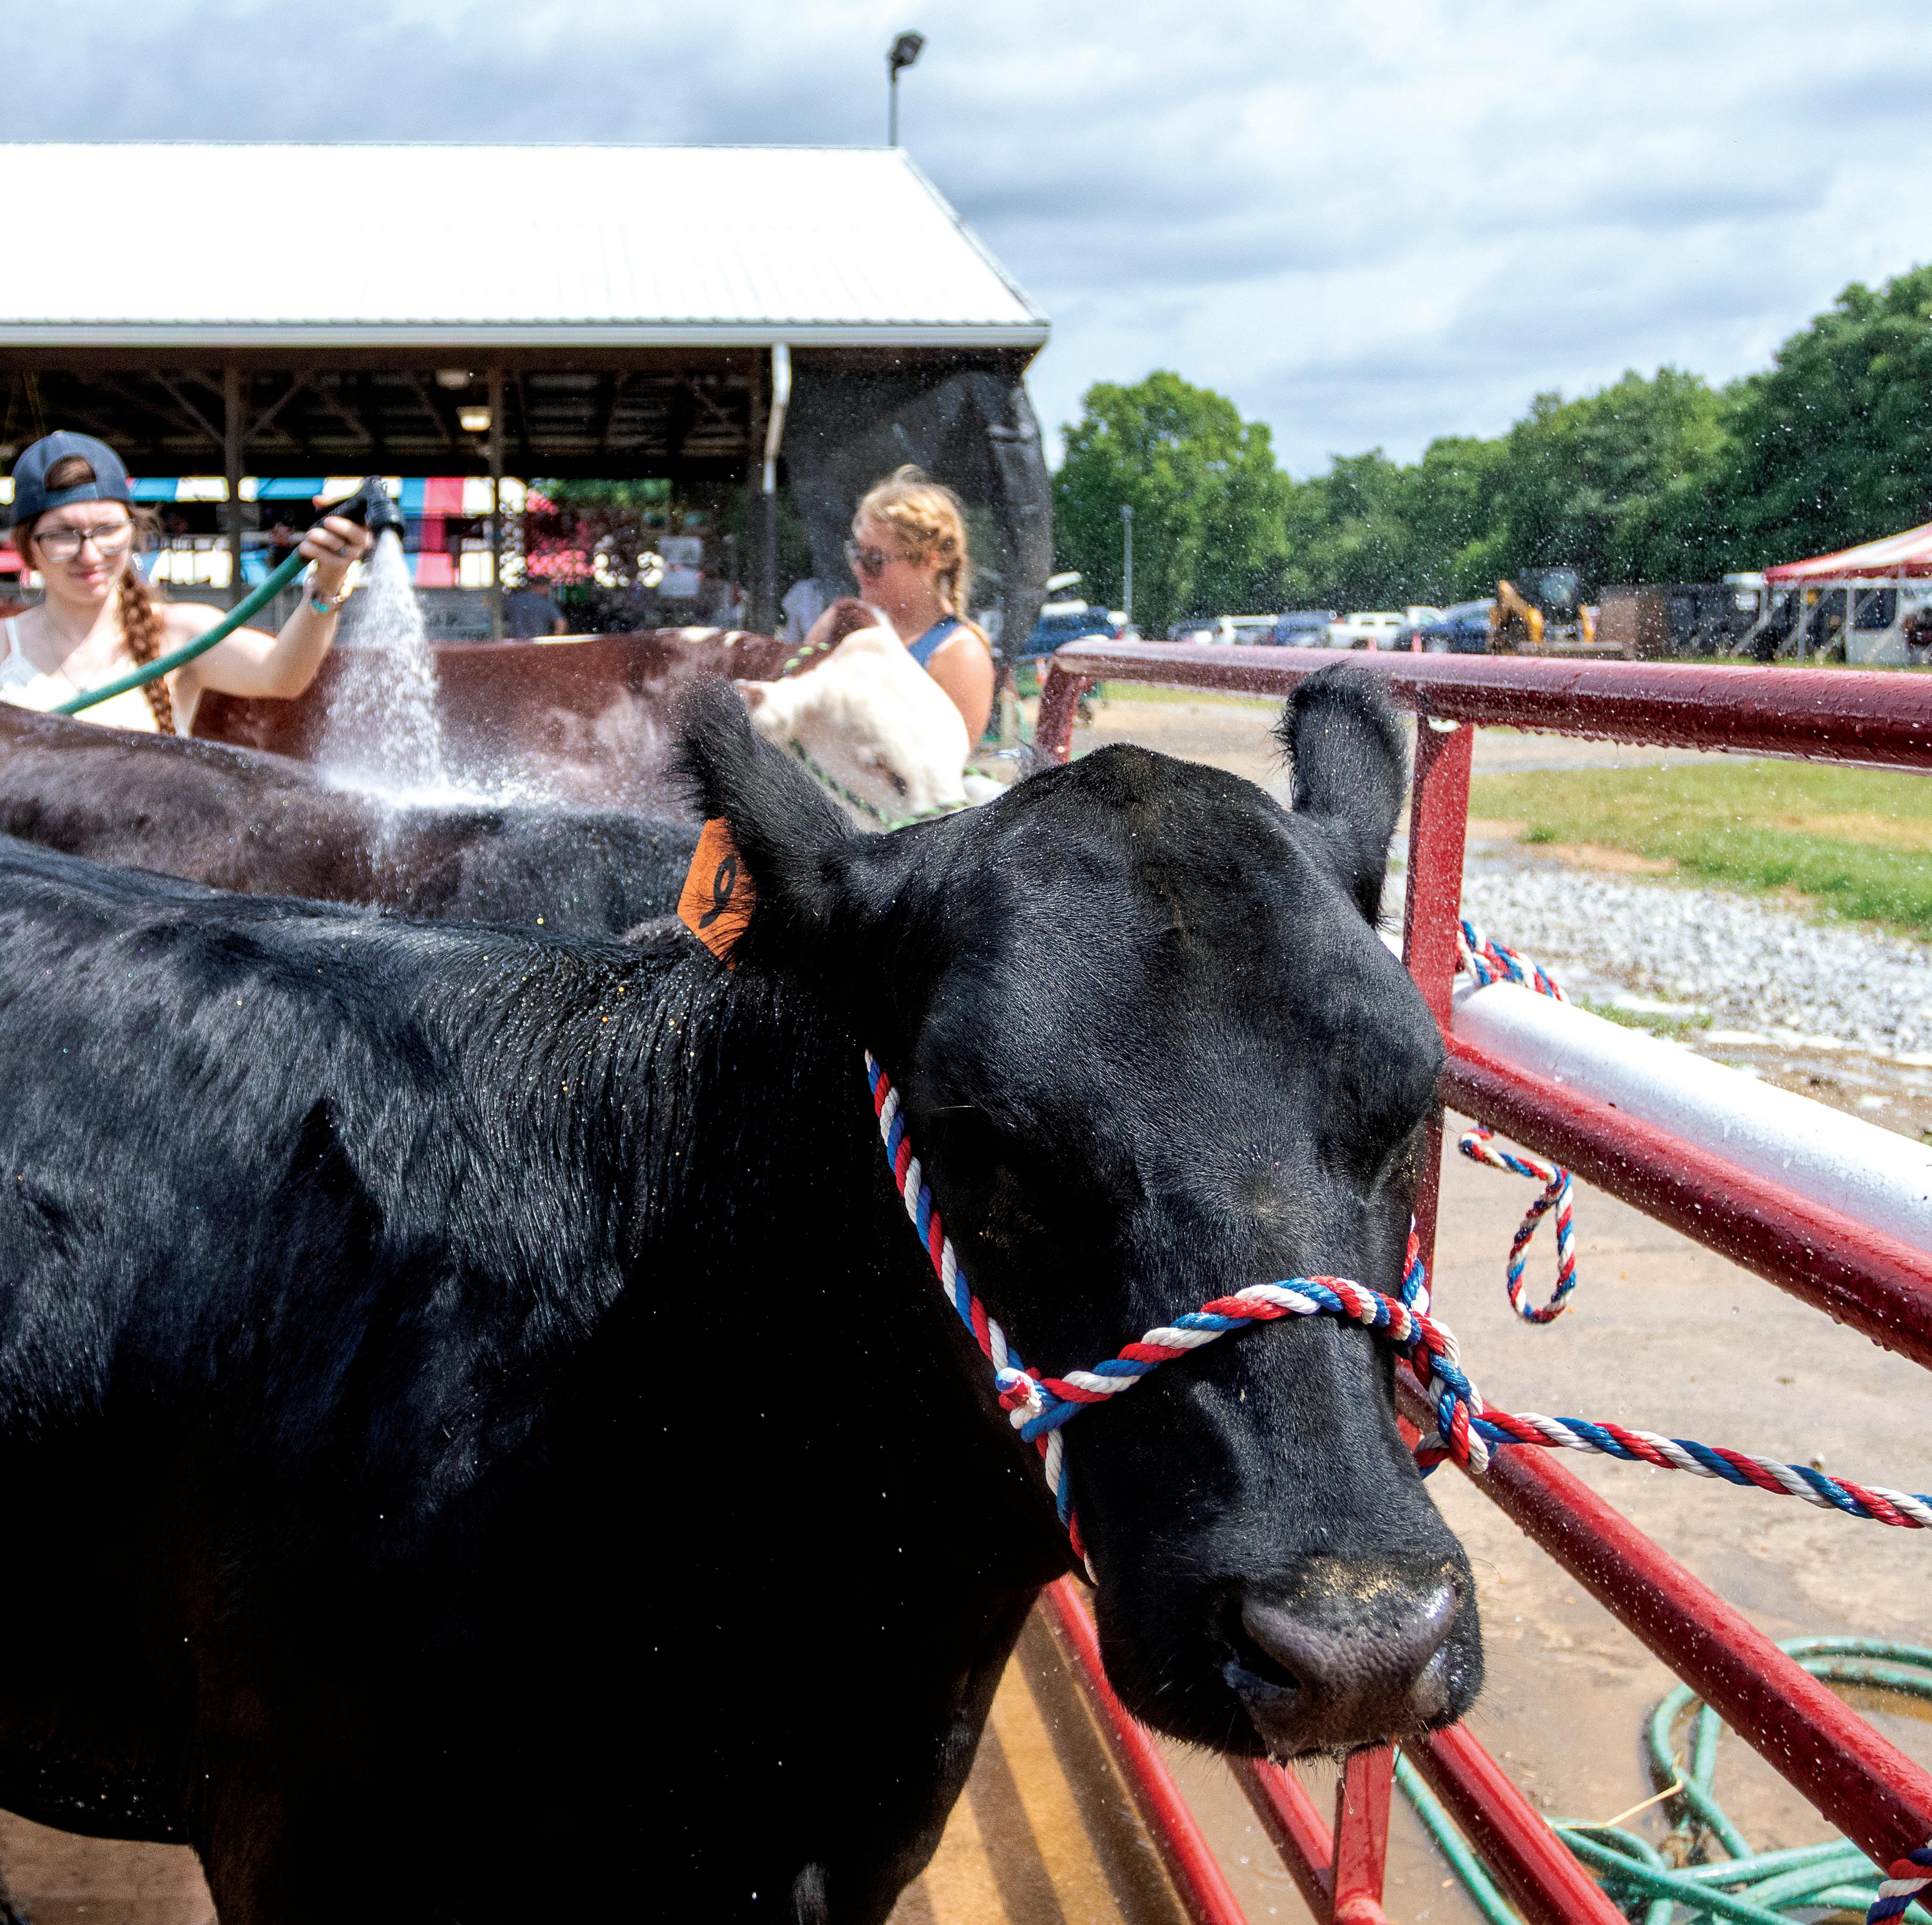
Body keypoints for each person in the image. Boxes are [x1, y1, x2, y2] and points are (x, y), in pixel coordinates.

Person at [2, 431, 373, 737]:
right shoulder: (5, 644)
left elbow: (283, 675)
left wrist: (328, 581)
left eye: (108, 529)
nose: (90, 554)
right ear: (28, 549)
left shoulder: (181, 632)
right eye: (63, 534)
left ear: (132, 533)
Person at [803, 465, 995, 739]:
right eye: (857, 553)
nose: (857, 569)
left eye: (875, 559)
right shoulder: (842, 624)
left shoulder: (960, 655)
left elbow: (941, 763)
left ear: (931, 560)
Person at [502, 575, 567, 639]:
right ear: (543, 586)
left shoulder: (513, 601)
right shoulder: (544, 602)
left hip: (517, 643)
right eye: (546, 587)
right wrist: (553, 641)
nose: (547, 591)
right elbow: (561, 623)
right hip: (540, 643)